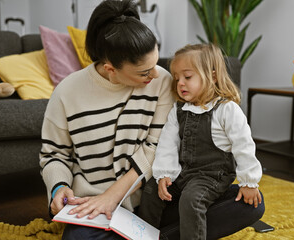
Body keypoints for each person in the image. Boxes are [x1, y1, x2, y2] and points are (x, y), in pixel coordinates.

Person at [39, 0, 173, 239]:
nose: (155, 74)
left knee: (247, 205)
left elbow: (157, 147)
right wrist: (58, 187)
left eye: (156, 63)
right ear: (110, 69)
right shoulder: (67, 91)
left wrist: (111, 197)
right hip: (94, 203)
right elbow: (54, 154)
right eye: (144, 72)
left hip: (154, 197)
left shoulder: (161, 81)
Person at [137, 43, 265, 240]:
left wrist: (249, 181)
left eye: (187, 77)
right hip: (183, 173)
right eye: (177, 78)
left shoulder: (226, 109)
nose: (180, 83)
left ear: (212, 76)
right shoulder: (178, 110)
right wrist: (164, 174)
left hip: (211, 176)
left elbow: (244, 145)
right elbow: (168, 144)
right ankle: (141, 234)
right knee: (151, 190)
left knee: (191, 199)